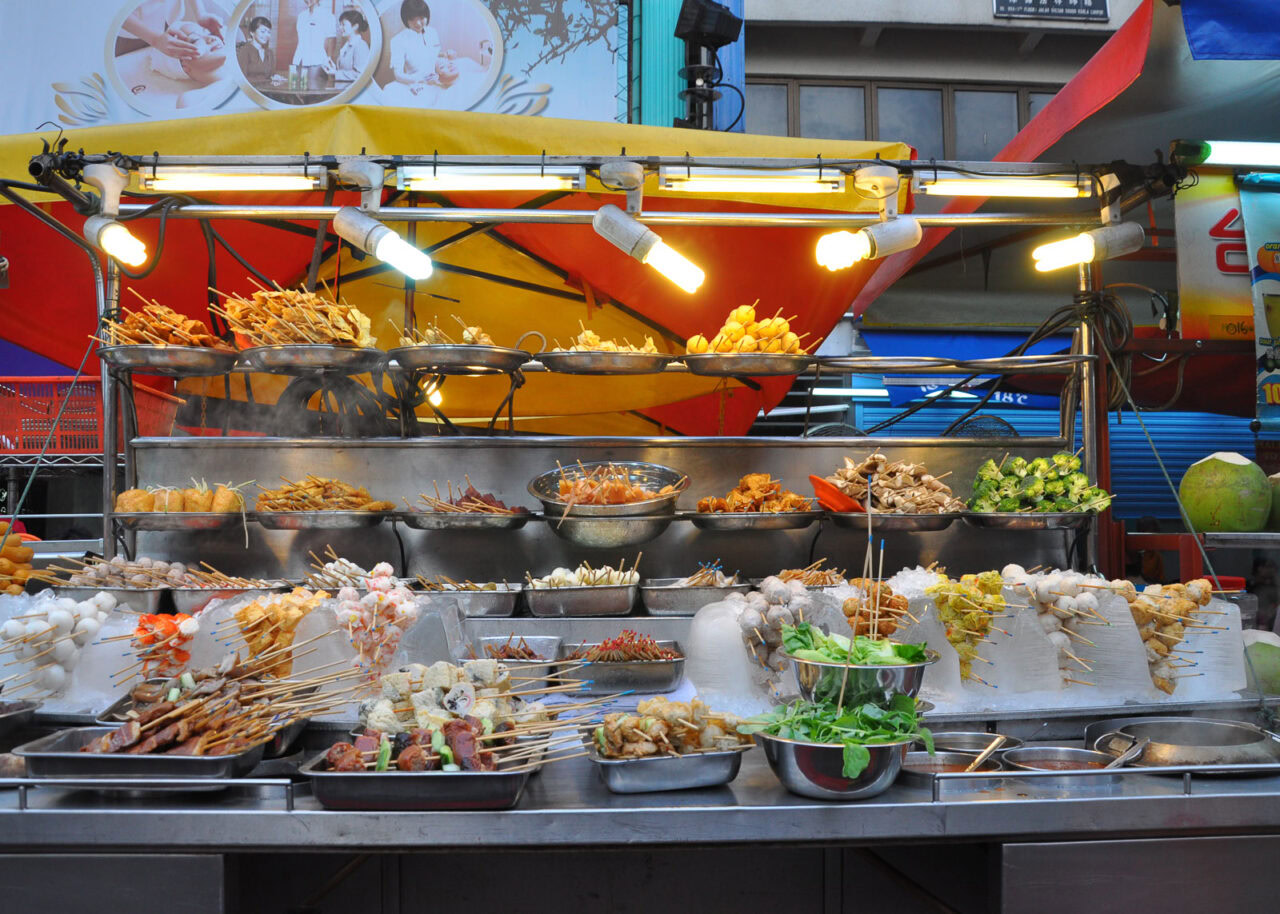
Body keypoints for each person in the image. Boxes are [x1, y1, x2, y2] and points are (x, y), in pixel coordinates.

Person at [122, 0, 225, 62]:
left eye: (204, 32)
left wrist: (200, 12)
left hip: (171, 16)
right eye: (194, 41)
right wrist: (155, 39)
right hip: (132, 28)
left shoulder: (179, 27)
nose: (211, 39)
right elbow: (113, 10)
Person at [384, 0, 441, 102]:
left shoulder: (432, 32)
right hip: (415, 84)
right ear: (406, 20)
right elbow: (398, 74)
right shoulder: (398, 40)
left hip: (436, 81)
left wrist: (445, 57)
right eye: (412, 19)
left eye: (422, 18)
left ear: (427, 16)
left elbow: (435, 58)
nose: (418, 23)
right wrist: (420, 80)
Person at [292, 0, 336, 90]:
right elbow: (301, 40)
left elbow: (331, 39)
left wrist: (328, 59)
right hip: (299, 61)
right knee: (298, 90)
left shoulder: (327, 15)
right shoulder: (301, 16)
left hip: (318, 62)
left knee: (314, 90)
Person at [324, 9, 370, 83]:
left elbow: (360, 75)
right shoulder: (347, 45)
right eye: (340, 24)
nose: (340, 27)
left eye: (343, 24)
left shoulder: (361, 46)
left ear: (355, 26)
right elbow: (346, 70)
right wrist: (334, 69)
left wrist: (336, 73)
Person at [237, 15, 277, 86]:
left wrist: (275, 77)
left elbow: (271, 75)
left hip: (267, 90)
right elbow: (242, 78)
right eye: (263, 31)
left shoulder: (269, 52)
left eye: (269, 32)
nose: (266, 35)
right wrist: (268, 80)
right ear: (252, 32)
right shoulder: (245, 51)